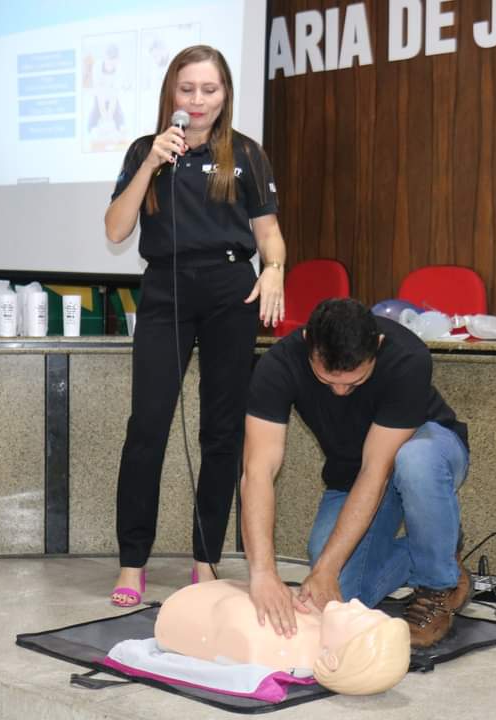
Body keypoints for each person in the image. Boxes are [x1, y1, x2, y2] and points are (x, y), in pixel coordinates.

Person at [104, 45, 287, 606]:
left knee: (222, 432)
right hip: (165, 290)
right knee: (148, 427)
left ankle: (205, 560)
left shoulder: (247, 155)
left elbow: (267, 231)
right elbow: (115, 231)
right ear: (171, 93)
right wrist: (149, 165)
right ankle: (132, 563)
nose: (199, 100)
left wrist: (276, 268)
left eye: (210, 90)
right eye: (188, 89)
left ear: (225, 94)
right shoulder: (145, 149)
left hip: (232, 291)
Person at [241, 298, 471, 648]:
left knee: (414, 461)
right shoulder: (277, 365)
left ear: (377, 346)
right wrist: (263, 573)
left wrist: (325, 570)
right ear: (307, 342)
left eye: (354, 381)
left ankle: (440, 585)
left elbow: (376, 470)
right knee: (338, 597)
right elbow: (257, 471)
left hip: (427, 452)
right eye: (327, 379)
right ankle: (437, 544)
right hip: (354, 472)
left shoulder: (408, 359)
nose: (340, 392)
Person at [154, 578, 410, 694]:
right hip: (206, 594)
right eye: (365, 608)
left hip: (183, 607)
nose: (355, 602)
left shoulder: (277, 646)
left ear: (333, 659)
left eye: (357, 616)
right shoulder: (320, 621)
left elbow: (233, 614)